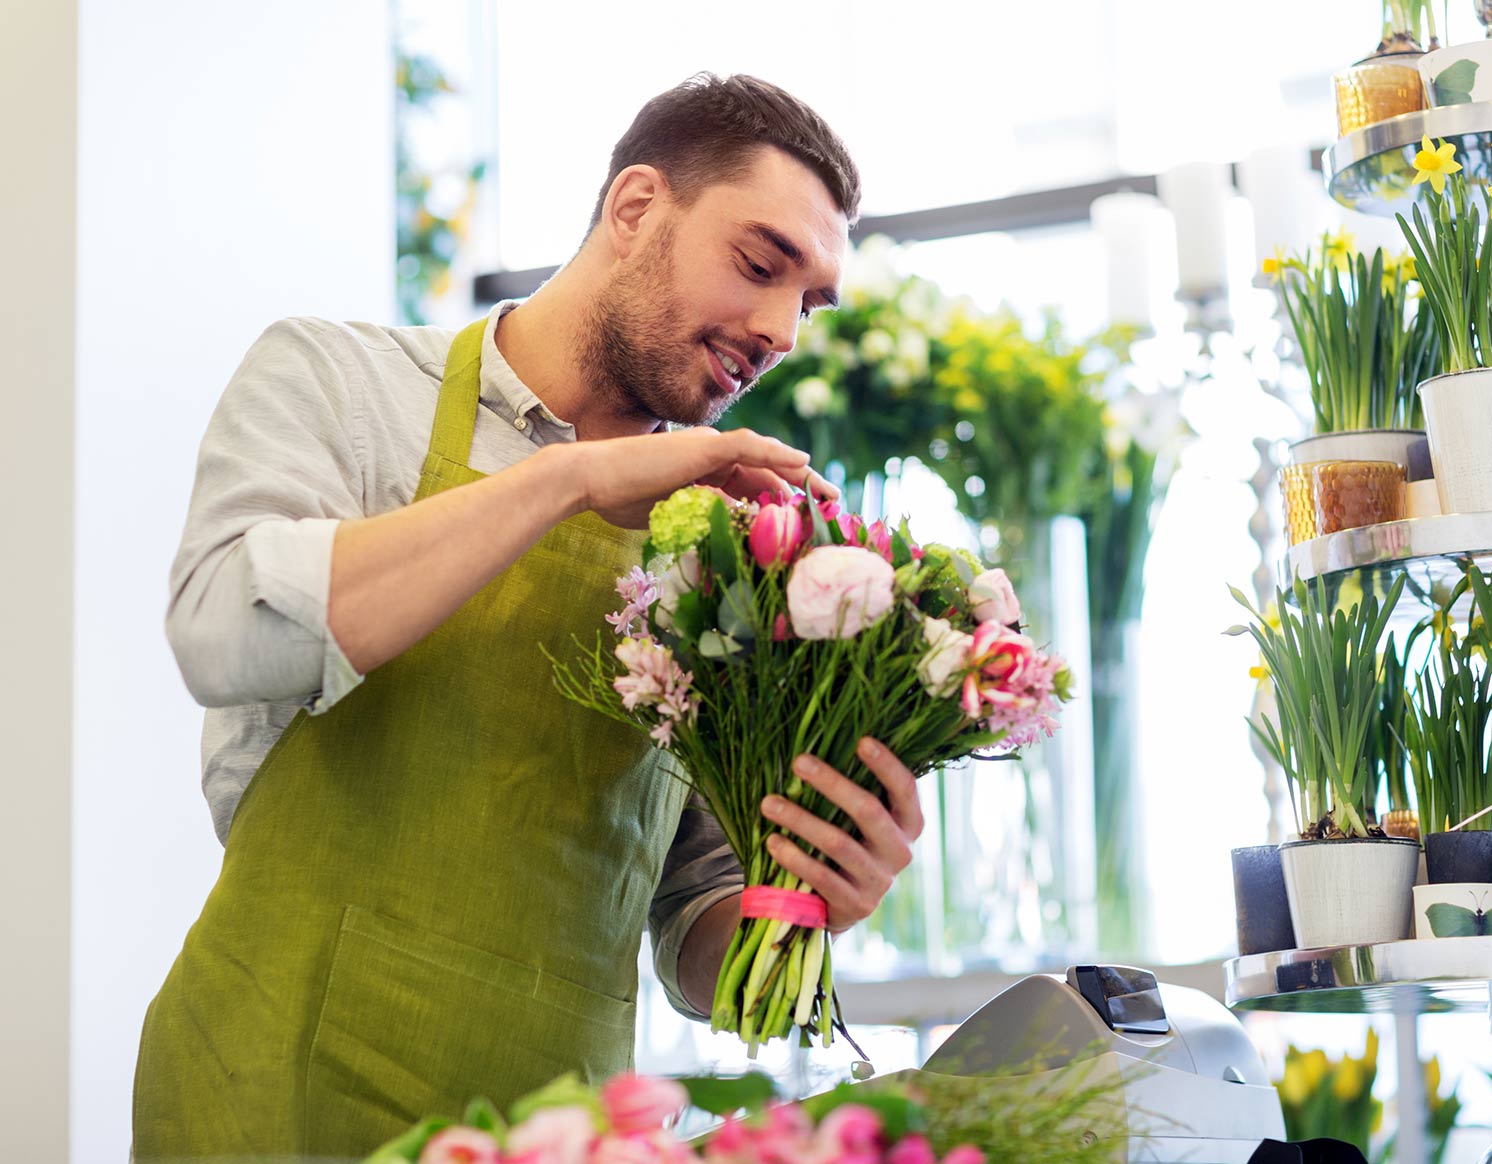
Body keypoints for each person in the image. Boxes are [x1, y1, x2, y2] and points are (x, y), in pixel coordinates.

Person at [132, 73, 927, 1160]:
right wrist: (568, 480)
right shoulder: (343, 382)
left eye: (810, 303)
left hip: (560, 1129)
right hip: (270, 1097)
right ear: (636, 207)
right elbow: (220, 629)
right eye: (758, 264)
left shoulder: (724, 550)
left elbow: (694, 916)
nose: (781, 330)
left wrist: (805, 902)